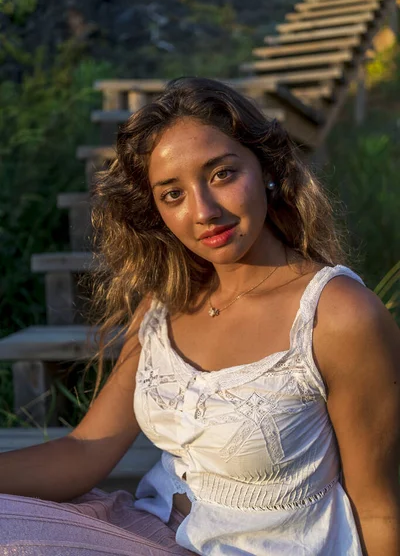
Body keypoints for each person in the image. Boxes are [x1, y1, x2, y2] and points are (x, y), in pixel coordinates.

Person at [0, 77, 399, 556]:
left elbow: (378, 508)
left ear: (267, 169)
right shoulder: (164, 305)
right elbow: (87, 449)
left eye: (222, 174)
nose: (204, 211)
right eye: (173, 194)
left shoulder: (337, 315)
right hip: (146, 533)